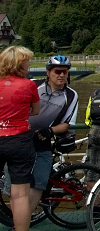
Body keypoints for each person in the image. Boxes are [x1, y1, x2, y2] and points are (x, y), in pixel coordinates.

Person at [29, 55, 79, 212]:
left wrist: (50, 130)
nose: (62, 75)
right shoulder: (32, 85)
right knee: (16, 183)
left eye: (65, 72)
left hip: (43, 139)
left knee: (39, 183)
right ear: (48, 72)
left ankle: (23, 220)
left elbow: (67, 124)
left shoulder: (71, 95)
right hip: (20, 138)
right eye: (58, 71)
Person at [0, 46, 40, 231]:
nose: (29, 64)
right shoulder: (29, 85)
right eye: (27, 61)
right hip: (20, 140)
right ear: (19, 64)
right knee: (20, 193)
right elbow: (36, 110)